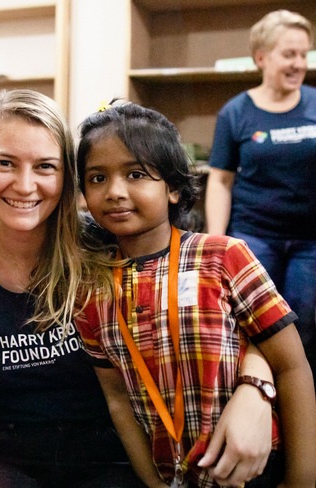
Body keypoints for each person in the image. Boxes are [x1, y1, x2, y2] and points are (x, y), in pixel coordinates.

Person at [0, 89, 273, 488]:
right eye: (4, 163)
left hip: (115, 459)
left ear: (67, 176)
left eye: (45, 166)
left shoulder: (111, 242)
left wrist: (256, 391)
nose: (25, 185)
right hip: (3, 464)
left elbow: (243, 320)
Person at [75, 100, 316, 487]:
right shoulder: (91, 292)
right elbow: (118, 398)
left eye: (135, 174)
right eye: (97, 178)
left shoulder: (224, 256)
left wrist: (302, 479)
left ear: (172, 187)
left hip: (254, 470)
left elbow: (291, 366)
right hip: (174, 476)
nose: (114, 191)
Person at [205, 10, 316, 385]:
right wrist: (217, 243)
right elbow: (220, 181)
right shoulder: (235, 113)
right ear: (261, 57)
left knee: (302, 325)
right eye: (289, 54)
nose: (299, 63)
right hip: (254, 237)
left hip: (309, 242)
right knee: (256, 326)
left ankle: (297, 410)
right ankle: (256, 400)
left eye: (304, 54)